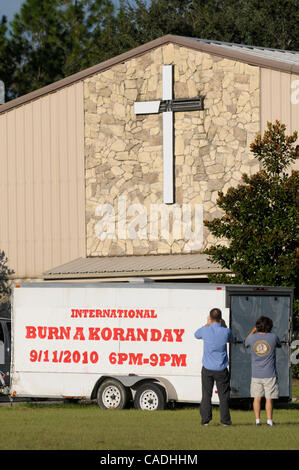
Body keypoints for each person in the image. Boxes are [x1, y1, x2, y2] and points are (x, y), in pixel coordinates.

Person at [194, 308, 234, 426]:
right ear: (221, 318)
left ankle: (205, 420)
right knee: (223, 396)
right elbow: (232, 339)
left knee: (206, 395)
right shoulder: (226, 331)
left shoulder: (205, 330)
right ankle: (225, 421)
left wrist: (207, 323)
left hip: (207, 368)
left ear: (210, 318)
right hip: (221, 369)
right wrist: (224, 325)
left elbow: (196, 335)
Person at [245, 316, 281, 426]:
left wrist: (253, 330)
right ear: (270, 326)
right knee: (269, 399)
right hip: (270, 373)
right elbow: (279, 345)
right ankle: (269, 420)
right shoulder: (273, 337)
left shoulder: (252, 338)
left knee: (257, 398)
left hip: (256, 373)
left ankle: (257, 420)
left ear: (257, 326)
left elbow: (245, 342)